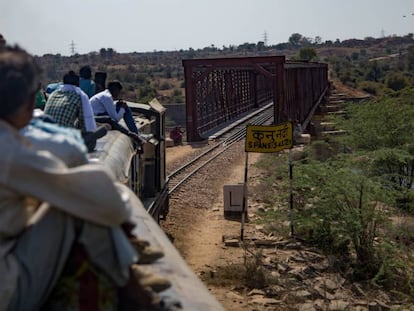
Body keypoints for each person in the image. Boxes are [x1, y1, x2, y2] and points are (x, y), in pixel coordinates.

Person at [0, 45, 170, 311]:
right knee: (79, 202)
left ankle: (129, 279)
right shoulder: (11, 151)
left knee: (76, 196)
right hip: (9, 290)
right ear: (28, 102)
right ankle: (131, 285)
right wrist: (122, 201)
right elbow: (105, 201)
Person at [43, 70, 106, 151]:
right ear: (78, 84)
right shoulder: (79, 96)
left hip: (45, 140)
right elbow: (86, 126)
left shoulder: (53, 94)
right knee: (100, 132)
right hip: (62, 142)